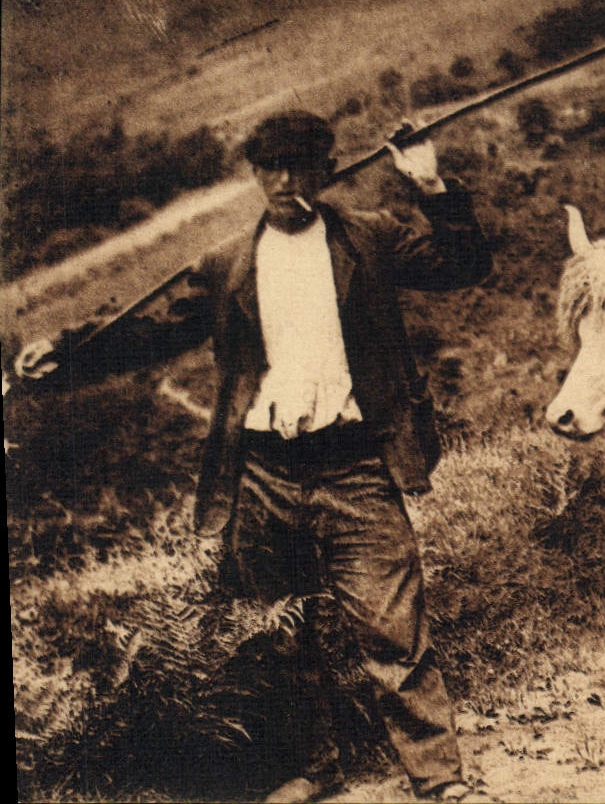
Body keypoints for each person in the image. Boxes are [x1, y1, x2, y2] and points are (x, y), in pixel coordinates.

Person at [16, 110, 493, 803]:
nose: (284, 181)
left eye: (300, 167)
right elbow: (150, 335)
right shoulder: (228, 264)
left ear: (326, 174)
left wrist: (430, 182)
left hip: (357, 465)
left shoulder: (368, 237)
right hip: (264, 472)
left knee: (392, 627)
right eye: (270, 167)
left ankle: (437, 775)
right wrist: (65, 354)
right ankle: (314, 768)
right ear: (255, 174)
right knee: (279, 632)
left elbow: (464, 264)